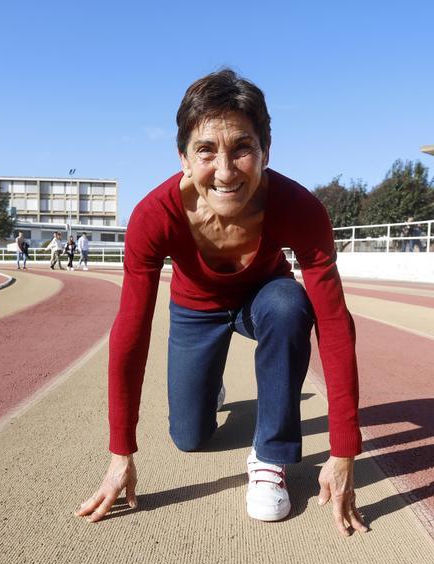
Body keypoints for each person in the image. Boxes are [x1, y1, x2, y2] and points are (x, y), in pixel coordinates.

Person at [75, 69, 368, 536]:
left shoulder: (300, 209)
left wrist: (343, 450)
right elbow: (130, 332)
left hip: (263, 299)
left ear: (266, 153)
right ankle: (209, 389)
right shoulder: (154, 217)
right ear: (184, 159)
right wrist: (120, 455)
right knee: (189, 438)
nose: (226, 171)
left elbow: (334, 323)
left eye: (242, 148)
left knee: (290, 305)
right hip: (195, 308)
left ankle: (270, 456)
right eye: (207, 150)